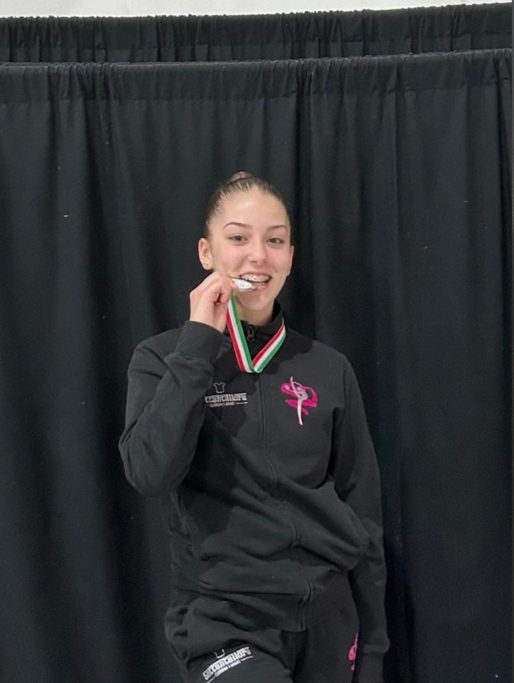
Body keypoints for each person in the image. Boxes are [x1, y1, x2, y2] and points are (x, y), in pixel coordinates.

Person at [119, 172, 387, 683]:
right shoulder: (162, 359)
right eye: (238, 238)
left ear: (290, 256)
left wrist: (372, 646)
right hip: (227, 621)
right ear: (207, 252)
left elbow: (363, 509)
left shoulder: (328, 367)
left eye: (275, 240)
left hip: (330, 619)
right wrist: (198, 344)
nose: (258, 256)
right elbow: (150, 472)